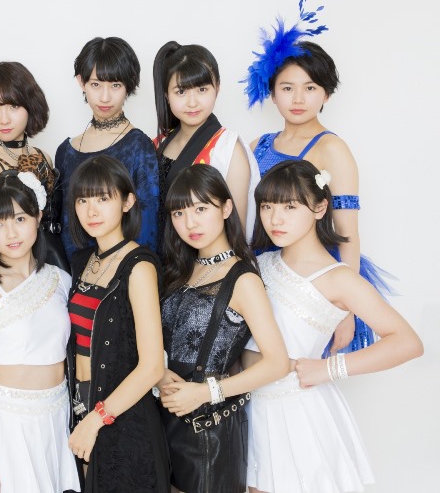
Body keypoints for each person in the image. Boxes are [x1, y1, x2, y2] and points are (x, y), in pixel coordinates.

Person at [243, 159, 423, 493]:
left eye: (290, 206)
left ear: (319, 207)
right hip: (250, 406)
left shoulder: (338, 278)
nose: (275, 219)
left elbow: (407, 342)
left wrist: (328, 368)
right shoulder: (258, 263)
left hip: (297, 410)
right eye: (267, 206)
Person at [242, 0, 392, 354]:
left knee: (298, 359)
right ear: (272, 94)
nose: (298, 99)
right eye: (287, 88)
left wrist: (345, 308)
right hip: (264, 266)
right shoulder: (258, 144)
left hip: (311, 277)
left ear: (326, 95)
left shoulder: (332, 149)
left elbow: (347, 231)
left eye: (310, 88)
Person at [157, 164, 289, 493]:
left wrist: (204, 392)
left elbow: (277, 363)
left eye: (201, 209)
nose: (190, 223)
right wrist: (159, 374)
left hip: (210, 431)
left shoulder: (242, 279)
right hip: (164, 419)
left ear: (226, 208)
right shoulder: (177, 270)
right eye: (179, 213)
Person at [0, 171, 80, 493]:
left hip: (56, 418)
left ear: (38, 217)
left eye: (20, 219)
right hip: (6, 425)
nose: (11, 233)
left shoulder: (60, 280)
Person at [66, 155, 168, 492]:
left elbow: (152, 367)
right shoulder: (82, 261)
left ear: (127, 202)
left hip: (121, 416)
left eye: (103, 198)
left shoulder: (139, 266)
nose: (91, 211)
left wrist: (97, 418)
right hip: (79, 405)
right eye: (83, 200)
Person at [55, 36, 159, 259]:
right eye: (96, 85)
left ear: (128, 85)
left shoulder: (138, 146)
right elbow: (65, 225)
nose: (105, 97)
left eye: (115, 85)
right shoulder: (66, 151)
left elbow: (148, 228)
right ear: (81, 82)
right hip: (74, 272)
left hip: (125, 271)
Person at [0, 61, 68, 271]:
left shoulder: (44, 156)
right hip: (12, 269)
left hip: (55, 261)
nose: (3, 119)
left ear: (30, 105)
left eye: (13, 106)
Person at [153, 41, 259, 237]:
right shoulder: (158, 143)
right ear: (166, 95)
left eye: (202, 89)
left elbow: (237, 229)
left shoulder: (229, 149)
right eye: (181, 92)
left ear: (217, 87)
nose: (192, 103)